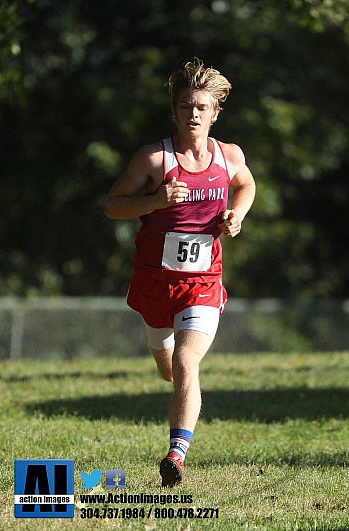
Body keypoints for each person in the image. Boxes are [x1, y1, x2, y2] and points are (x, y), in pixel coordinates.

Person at [105, 57, 256, 487]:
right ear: (175, 110)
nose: (193, 113)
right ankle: (164, 361)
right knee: (169, 365)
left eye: (200, 107)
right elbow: (113, 205)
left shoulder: (229, 156)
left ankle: (177, 454)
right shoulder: (154, 158)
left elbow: (246, 185)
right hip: (155, 283)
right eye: (185, 105)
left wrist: (237, 215)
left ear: (214, 112)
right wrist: (155, 201)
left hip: (203, 283)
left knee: (187, 362)